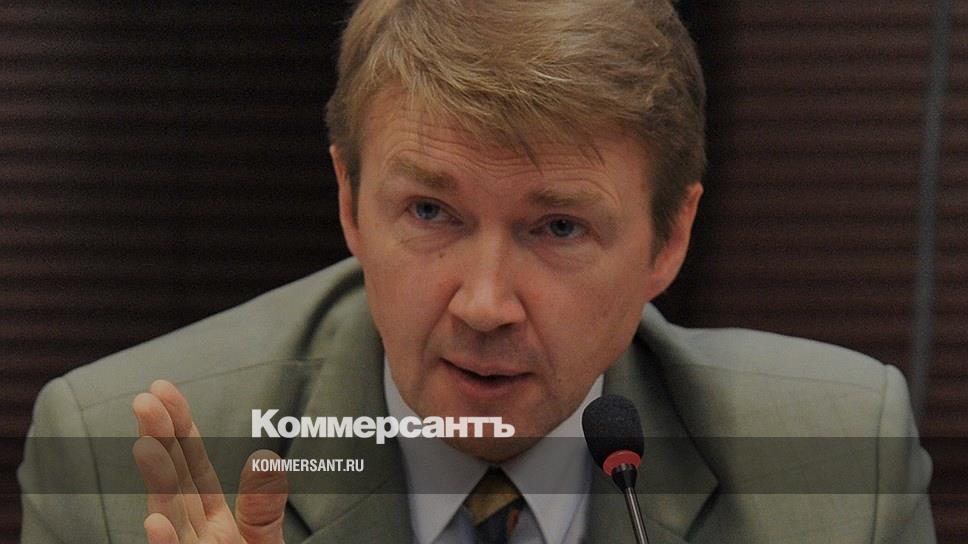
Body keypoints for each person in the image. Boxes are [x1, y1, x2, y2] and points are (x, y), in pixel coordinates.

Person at [19, 1, 935, 542]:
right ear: (350, 203)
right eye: (431, 212)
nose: (486, 304)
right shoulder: (119, 469)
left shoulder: (838, 471)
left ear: (669, 239)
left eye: (559, 227)